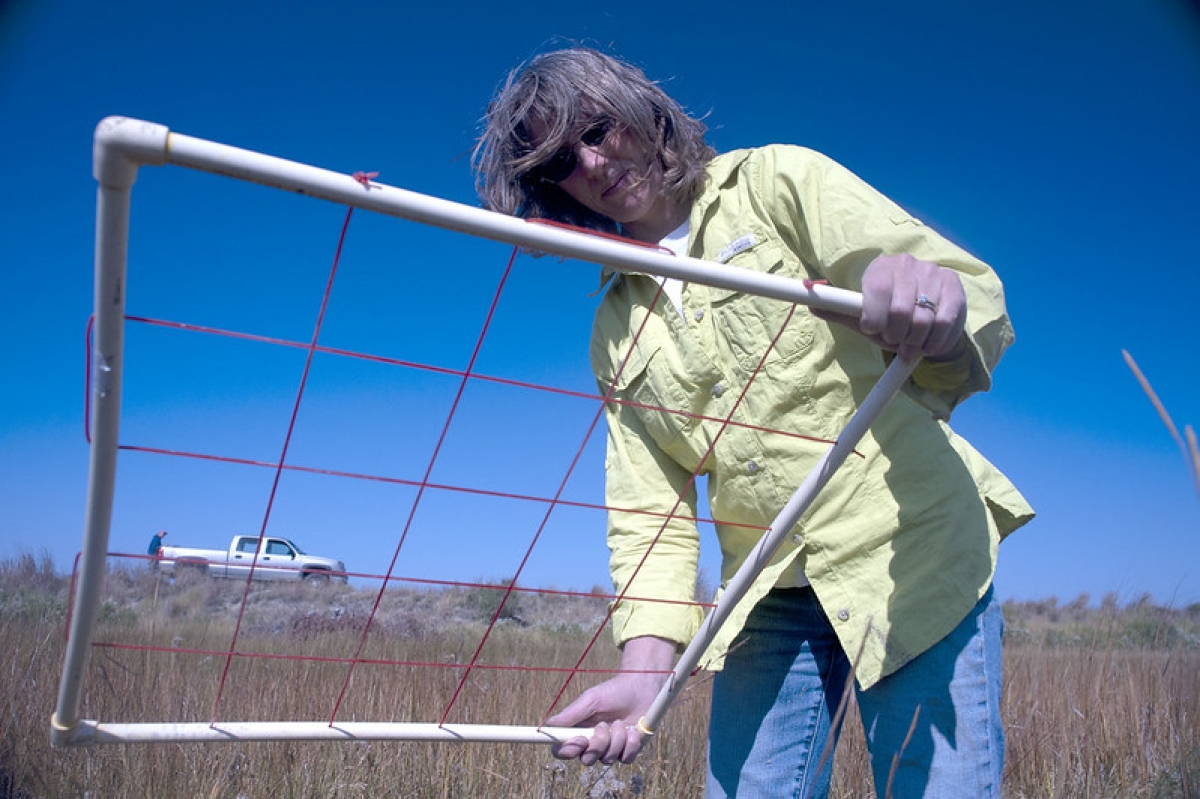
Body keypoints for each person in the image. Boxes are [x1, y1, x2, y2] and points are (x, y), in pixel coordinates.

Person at [473, 48, 1033, 798]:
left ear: (645, 111)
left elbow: (965, 293)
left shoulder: (775, 182)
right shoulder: (613, 326)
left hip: (914, 547)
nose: (594, 161)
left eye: (599, 128)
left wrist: (936, 303)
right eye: (563, 160)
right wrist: (645, 669)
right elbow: (649, 504)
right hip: (763, 591)